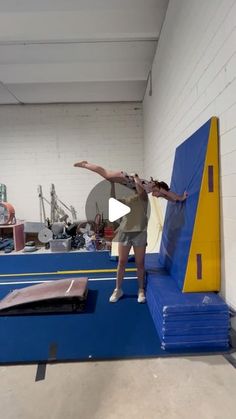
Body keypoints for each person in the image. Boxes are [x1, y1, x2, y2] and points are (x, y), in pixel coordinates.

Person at [108, 176, 148, 303]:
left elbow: (141, 191)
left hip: (140, 233)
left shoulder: (144, 197)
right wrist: (112, 184)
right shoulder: (127, 199)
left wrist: (135, 177)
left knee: (140, 263)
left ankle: (141, 290)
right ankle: (118, 289)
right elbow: (113, 201)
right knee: (122, 262)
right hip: (125, 233)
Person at [74, 160, 187, 202]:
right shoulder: (155, 187)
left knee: (106, 176)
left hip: (125, 182)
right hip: (125, 177)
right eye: (159, 195)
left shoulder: (154, 190)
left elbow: (168, 197)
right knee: (106, 174)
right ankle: (85, 164)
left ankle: (86, 164)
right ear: (162, 189)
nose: (156, 197)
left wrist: (175, 200)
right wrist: (181, 198)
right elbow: (169, 194)